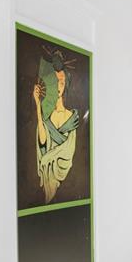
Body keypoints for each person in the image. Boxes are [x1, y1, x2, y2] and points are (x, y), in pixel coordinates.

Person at [32, 51, 80, 203]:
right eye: (56, 81)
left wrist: (51, 158)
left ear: (66, 85)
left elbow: (68, 153)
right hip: (47, 179)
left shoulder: (71, 117)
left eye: (62, 82)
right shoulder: (46, 115)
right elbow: (43, 143)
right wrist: (38, 105)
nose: (59, 86)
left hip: (66, 182)